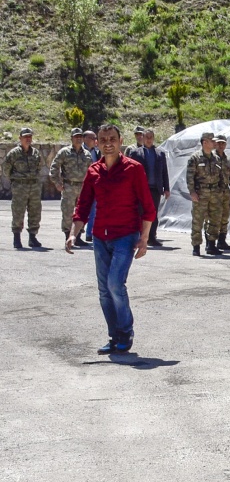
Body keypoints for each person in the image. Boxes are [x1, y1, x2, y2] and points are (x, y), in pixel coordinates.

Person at [65, 123, 155, 354]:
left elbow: (148, 206)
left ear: (120, 141)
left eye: (112, 139)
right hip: (100, 237)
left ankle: (126, 332)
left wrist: (144, 238)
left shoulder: (133, 169)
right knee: (104, 290)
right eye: (103, 140)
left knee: (115, 283)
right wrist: (73, 233)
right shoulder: (93, 171)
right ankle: (114, 336)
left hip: (125, 235)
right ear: (97, 143)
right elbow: (83, 205)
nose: (108, 144)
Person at [186, 132, 229, 257]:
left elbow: (221, 177)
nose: (215, 143)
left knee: (215, 219)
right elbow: (190, 177)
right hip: (200, 194)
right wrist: (192, 192)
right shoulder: (195, 158)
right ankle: (196, 246)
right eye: (212, 141)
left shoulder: (216, 158)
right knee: (198, 220)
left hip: (215, 193)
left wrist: (221, 190)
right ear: (205, 142)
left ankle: (211, 245)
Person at [50, 128, 93, 246]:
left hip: (83, 187)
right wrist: (57, 183)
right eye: (76, 136)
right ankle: (67, 235)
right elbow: (54, 167)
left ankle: (78, 236)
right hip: (69, 186)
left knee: (82, 212)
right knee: (67, 212)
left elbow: (92, 171)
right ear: (71, 138)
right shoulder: (64, 152)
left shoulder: (87, 154)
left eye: (80, 136)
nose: (78, 139)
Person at [4, 127, 44, 249]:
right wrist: (16, 180)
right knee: (18, 211)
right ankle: (17, 238)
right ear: (20, 138)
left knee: (35, 212)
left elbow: (39, 167)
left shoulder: (35, 153)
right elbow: (6, 170)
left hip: (34, 187)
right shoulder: (14, 153)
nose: (28, 139)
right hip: (20, 187)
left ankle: (32, 237)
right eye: (25, 137)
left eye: (30, 136)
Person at [135, 129, 171, 248]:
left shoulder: (160, 153)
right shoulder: (136, 153)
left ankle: (152, 237)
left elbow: (164, 171)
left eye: (151, 137)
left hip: (155, 188)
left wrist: (166, 188)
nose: (149, 140)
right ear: (143, 138)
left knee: (153, 214)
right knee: (140, 212)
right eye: (147, 137)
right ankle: (139, 236)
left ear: (154, 138)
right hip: (141, 189)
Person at [212, 131, 230, 251]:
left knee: (224, 217)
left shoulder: (227, 160)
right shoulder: (211, 158)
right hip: (214, 192)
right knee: (213, 217)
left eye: (223, 143)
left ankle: (222, 240)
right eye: (218, 143)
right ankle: (211, 241)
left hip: (225, 192)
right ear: (214, 144)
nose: (221, 145)